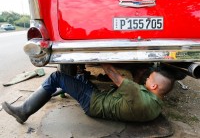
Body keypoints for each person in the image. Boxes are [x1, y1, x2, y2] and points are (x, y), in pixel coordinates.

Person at [2, 64, 175, 124]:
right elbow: (137, 88)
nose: (146, 78)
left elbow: (113, 74)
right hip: (101, 102)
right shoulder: (156, 105)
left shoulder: (137, 94)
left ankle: (23, 111)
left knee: (56, 77)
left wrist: (101, 55)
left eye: (148, 78)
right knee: (79, 77)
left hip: (94, 104)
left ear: (154, 85)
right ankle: (52, 92)